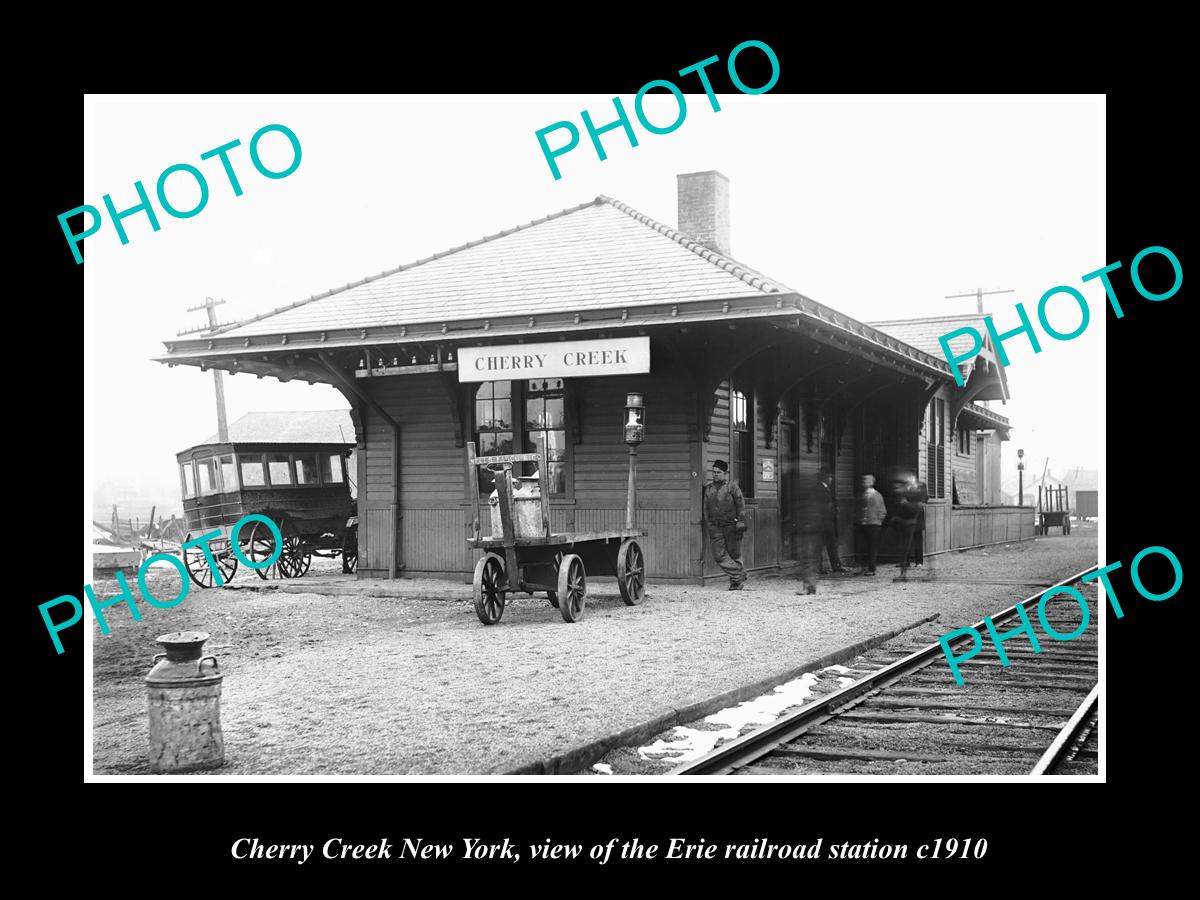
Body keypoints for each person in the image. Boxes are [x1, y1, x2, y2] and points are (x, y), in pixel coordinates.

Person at [703, 460, 748, 590]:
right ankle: (740, 574)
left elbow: (741, 504)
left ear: (725, 473)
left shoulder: (732, 487)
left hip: (731, 526)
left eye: (719, 472)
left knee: (734, 554)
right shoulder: (709, 488)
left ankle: (736, 582)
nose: (715, 475)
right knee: (719, 555)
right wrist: (709, 524)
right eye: (714, 472)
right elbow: (705, 508)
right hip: (715, 527)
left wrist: (740, 520)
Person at [793, 471, 825, 595]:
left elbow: (808, 514)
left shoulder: (808, 496)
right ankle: (811, 586)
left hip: (809, 531)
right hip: (814, 531)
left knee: (807, 559)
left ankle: (808, 587)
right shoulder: (816, 494)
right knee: (811, 559)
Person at [855, 475, 886, 575]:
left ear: (871, 482)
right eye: (863, 480)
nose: (864, 482)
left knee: (872, 547)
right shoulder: (861, 495)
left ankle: (871, 569)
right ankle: (862, 568)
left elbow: (883, 511)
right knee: (861, 547)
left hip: (874, 525)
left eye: (866, 481)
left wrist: (878, 521)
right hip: (862, 524)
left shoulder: (878, 495)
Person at [890, 479, 920, 579]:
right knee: (901, 550)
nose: (896, 489)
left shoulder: (911, 496)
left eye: (898, 487)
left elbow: (916, 509)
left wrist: (905, 504)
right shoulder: (898, 498)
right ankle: (902, 573)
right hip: (900, 527)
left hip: (909, 527)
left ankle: (903, 574)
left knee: (904, 550)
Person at [817, 470, 845, 574]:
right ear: (824, 478)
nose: (831, 479)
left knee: (832, 545)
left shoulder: (827, 488)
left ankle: (836, 566)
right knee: (820, 547)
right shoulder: (819, 489)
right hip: (822, 524)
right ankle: (819, 569)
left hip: (829, 523)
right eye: (829, 477)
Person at [907, 475, 929, 568]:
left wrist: (920, 503)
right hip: (906, 516)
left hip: (917, 516)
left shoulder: (921, 486)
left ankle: (919, 562)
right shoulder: (906, 487)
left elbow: (925, 498)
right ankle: (906, 562)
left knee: (918, 539)